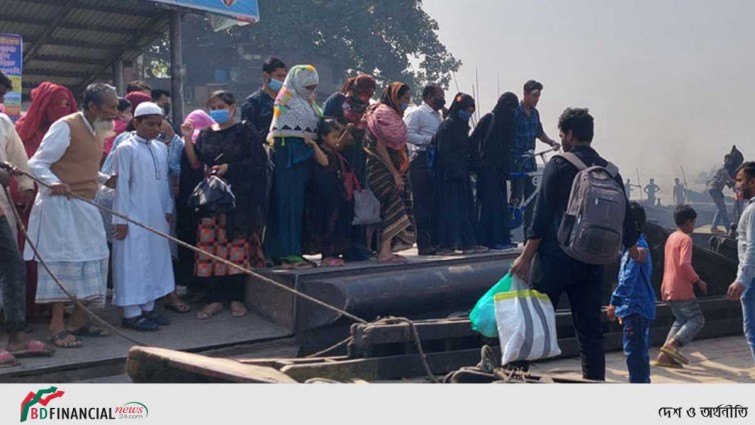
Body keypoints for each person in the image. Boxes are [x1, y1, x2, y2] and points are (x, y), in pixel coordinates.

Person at [511, 107, 644, 381]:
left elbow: (542, 214)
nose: (561, 140)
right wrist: (632, 247)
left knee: (532, 319)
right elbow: (626, 216)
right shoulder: (610, 171)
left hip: (554, 259)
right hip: (593, 261)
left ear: (570, 134)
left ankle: (514, 376)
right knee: (589, 331)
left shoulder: (559, 165)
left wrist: (525, 257)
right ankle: (594, 382)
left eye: (561, 135)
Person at [25, 83, 119, 348]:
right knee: (63, 263)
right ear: (92, 107)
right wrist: (52, 182)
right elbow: (37, 164)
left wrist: (104, 180)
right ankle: (56, 326)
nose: (116, 113)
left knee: (96, 258)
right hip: (60, 207)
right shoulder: (65, 126)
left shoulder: (99, 129)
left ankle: (78, 322)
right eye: (111, 107)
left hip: (85, 205)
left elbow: (82, 168)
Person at [181, 90, 269, 320]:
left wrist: (230, 168)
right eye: (213, 107)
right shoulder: (205, 134)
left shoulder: (244, 130)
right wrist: (187, 137)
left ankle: (237, 297)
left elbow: (258, 162)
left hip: (239, 199)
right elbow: (194, 162)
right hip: (212, 199)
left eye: (221, 106)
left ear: (232, 107)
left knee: (236, 247)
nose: (217, 110)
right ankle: (214, 298)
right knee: (212, 248)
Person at [13, 81, 79, 321]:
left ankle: (58, 308)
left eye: (67, 105)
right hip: (30, 206)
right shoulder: (23, 131)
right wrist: (26, 191)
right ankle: (28, 308)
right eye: (58, 104)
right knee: (29, 256)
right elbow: (20, 166)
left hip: (66, 203)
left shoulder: (71, 132)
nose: (64, 109)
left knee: (62, 255)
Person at [111, 102, 175, 331]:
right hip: (133, 215)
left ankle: (148, 308)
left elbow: (165, 182)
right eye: (150, 124)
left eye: (159, 124)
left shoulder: (161, 148)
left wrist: (168, 209)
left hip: (156, 213)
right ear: (136, 123)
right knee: (134, 262)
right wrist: (121, 219)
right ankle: (131, 314)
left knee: (155, 259)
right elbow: (122, 187)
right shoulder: (126, 149)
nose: (155, 129)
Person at [0, 106, 54, 364]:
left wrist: (25, 187)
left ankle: (15, 337)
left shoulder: (2, 123)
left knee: (14, 269)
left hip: (0, 209)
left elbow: (18, 158)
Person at [265, 65, 320, 269]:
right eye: (308, 86)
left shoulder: (308, 102)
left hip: (304, 161)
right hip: (288, 159)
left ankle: (295, 250)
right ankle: (286, 253)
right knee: (287, 206)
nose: (310, 90)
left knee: (298, 208)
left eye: (314, 86)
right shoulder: (285, 100)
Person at [322, 74, 377, 260]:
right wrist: (347, 134)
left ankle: (357, 247)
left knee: (358, 205)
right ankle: (335, 248)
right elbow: (326, 129)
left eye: (370, 92)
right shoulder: (337, 101)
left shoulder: (367, 108)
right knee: (338, 205)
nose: (366, 96)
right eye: (363, 92)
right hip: (338, 161)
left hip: (359, 162)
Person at [364, 82, 416, 263]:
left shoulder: (394, 116)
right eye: (404, 99)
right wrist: (394, 173)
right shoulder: (381, 114)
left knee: (391, 207)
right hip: (381, 170)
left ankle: (385, 250)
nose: (407, 103)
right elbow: (379, 146)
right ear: (395, 97)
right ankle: (384, 252)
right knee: (393, 205)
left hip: (395, 170)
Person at [433, 93, 487, 255]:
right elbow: (443, 151)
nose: (468, 114)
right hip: (448, 175)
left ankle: (467, 242)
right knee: (449, 210)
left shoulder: (462, 127)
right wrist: (454, 167)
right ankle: (446, 244)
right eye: (466, 110)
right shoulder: (447, 126)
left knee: (465, 209)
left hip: (462, 173)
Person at [607, 202, 655, 383]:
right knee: (639, 356)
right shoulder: (637, 246)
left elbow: (629, 279)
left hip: (635, 309)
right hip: (639, 308)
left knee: (635, 357)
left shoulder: (637, 249)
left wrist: (615, 302)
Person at [655, 205, 707, 368]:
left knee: (681, 320)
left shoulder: (671, 237)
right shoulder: (686, 239)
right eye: (693, 222)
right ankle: (673, 346)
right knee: (697, 320)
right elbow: (684, 264)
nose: (694, 225)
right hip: (681, 287)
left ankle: (664, 356)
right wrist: (698, 281)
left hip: (668, 287)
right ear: (687, 222)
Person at [510, 80, 560, 239]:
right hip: (517, 161)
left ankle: (528, 236)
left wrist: (551, 142)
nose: (537, 99)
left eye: (538, 96)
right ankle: (508, 231)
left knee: (532, 200)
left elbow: (540, 132)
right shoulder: (515, 112)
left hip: (531, 160)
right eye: (534, 95)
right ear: (525, 94)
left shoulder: (535, 113)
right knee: (517, 198)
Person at [303, 119, 355, 266]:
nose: (337, 140)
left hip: (333, 191)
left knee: (336, 221)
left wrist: (347, 131)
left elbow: (339, 144)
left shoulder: (333, 149)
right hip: (321, 193)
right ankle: (326, 256)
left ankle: (334, 253)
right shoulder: (317, 149)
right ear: (324, 136)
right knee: (325, 223)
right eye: (333, 137)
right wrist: (313, 145)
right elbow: (324, 162)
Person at [471, 92, 518, 250]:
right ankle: (488, 239)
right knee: (489, 206)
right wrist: (477, 163)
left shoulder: (509, 123)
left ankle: (501, 237)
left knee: (500, 205)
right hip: (487, 169)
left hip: (500, 170)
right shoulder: (490, 119)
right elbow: (474, 140)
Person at [404, 84, 445, 255]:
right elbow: (407, 134)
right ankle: (424, 243)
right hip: (421, 159)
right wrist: (430, 140)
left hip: (435, 160)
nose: (442, 100)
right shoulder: (418, 113)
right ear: (429, 97)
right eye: (439, 96)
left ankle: (435, 240)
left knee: (435, 204)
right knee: (422, 204)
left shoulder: (439, 116)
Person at [728, 162, 755, 363]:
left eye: (740, 180)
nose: (736, 185)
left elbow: (752, 248)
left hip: (752, 281)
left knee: (753, 332)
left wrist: (742, 280)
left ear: (752, 182)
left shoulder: (753, 211)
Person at [241, 57, 288, 142]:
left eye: (284, 76)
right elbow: (248, 136)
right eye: (278, 76)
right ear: (266, 76)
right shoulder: (253, 103)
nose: (282, 80)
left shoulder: (286, 101)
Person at [708, 155, 736, 233]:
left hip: (716, 190)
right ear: (725, 160)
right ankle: (728, 229)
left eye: (731, 161)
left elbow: (726, 181)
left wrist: (730, 184)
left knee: (721, 208)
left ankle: (714, 227)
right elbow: (729, 179)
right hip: (715, 190)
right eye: (729, 160)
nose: (730, 162)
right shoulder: (724, 170)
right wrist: (738, 181)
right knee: (723, 210)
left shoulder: (724, 170)